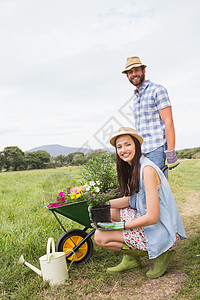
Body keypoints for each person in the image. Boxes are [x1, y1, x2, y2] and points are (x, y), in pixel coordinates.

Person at [93, 127, 186, 279]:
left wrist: (120, 226)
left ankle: (162, 253)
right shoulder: (133, 167)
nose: (124, 150)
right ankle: (131, 259)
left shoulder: (147, 170)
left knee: (100, 236)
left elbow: (152, 217)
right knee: (110, 211)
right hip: (147, 218)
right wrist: (101, 202)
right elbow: (132, 200)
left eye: (127, 144)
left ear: (136, 144)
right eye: (119, 147)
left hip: (161, 229)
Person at [122, 56, 179, 173]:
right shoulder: (136, 98)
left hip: (156, 149)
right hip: (141, 151)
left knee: (159, 188)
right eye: (130, 72)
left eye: (136, 70)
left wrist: (170, 151)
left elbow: (168, 121)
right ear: (127, 76)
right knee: (145, 188)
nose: (134, 74)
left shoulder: (157, 90)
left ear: (144, 70)